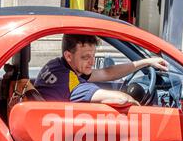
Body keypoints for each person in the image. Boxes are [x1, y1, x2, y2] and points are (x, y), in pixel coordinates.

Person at [34, 34, 168, 105]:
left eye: (93, 56)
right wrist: (136, 104)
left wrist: (146, 62)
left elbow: (107, 73)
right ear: (68, 56)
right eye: (86, 57)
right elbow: (121, 99)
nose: (92, 62)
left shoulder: (56, 65)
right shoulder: (71, 83)